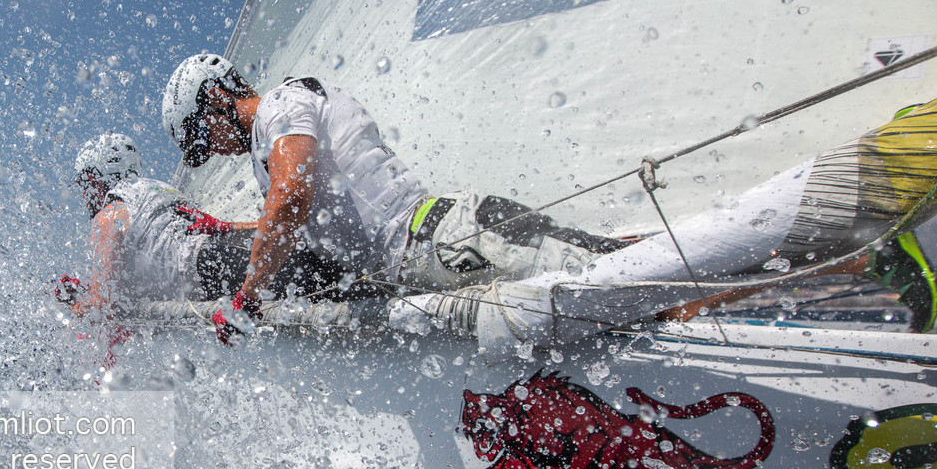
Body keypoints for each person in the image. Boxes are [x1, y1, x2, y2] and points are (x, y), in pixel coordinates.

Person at [417, 50, 937, 352]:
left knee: (627, 284)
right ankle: (861, 253)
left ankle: (860, 248)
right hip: (906, 175)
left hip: (898, 179)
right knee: (648, 282)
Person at [159, 53, 622, 343]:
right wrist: (227, 228)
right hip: (427, 256)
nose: (210, 151)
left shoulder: (280, 105)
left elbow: (291, 199)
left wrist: (246, 297)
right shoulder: (267, 146)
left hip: (449, 237)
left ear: (216, 96)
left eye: (200, 139)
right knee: (609, 301)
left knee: (625, 279)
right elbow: (300, 217)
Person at [57, 132, 341, 319]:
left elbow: (104, 305)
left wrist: (73, 305)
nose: (83, 194)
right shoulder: (158, 189)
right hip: (220, 254)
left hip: (205, 270)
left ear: (94, 179)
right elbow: (213, 229)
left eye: (83, 184)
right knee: (330, 280)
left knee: (320, 285)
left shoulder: (109, 214)